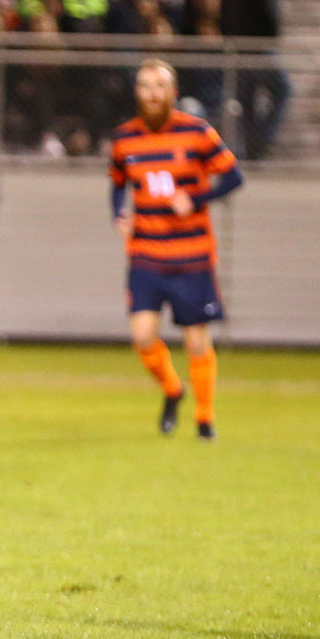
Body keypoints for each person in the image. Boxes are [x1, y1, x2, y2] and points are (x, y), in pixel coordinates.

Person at [109, 58, 244, 441]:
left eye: (159, 86)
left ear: (172, 92)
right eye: (145, 86)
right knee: (142, 336)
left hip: (192, 255)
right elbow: (118, 182)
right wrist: (119, 213)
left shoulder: (197, 131)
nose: (152, 93)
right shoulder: (125, 138)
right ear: (137, 93)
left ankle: (204, 419)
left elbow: (234, 175)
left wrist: (198, 197)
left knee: (197, 340)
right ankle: (172, 388)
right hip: (146, 254)